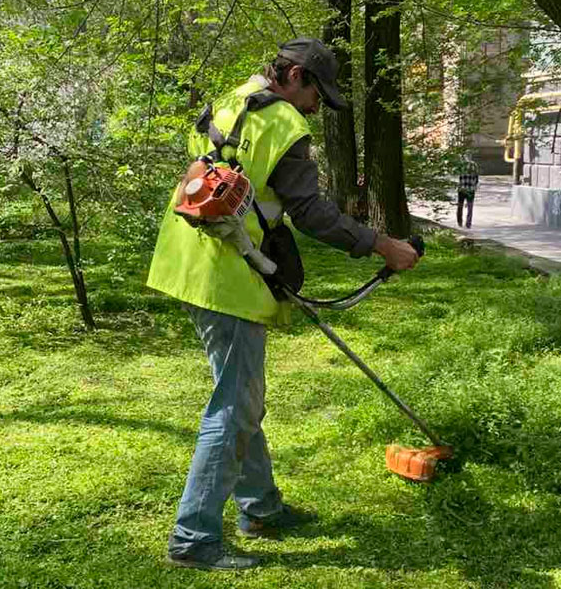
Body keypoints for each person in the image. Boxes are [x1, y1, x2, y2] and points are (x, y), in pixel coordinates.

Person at [146, 37, 420, 571]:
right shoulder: (286, 126)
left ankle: (261, 508)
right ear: (294, 76)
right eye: (317, 91)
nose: (318, 106)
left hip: (188, 259)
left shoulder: (232, 99)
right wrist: (384, 245)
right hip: (229, 275)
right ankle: (194, 538)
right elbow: (313, 213)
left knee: (239, 393)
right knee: (236, 404)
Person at [456, 156, 479, 229]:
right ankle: (468, 224)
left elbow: (457, 177)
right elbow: (476, 178)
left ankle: (459, 222)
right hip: (471, 189)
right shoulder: (474, 165)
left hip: (462, 189)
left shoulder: (460, 165)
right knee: (470, 207)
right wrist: (474, 185)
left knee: (460, 206)